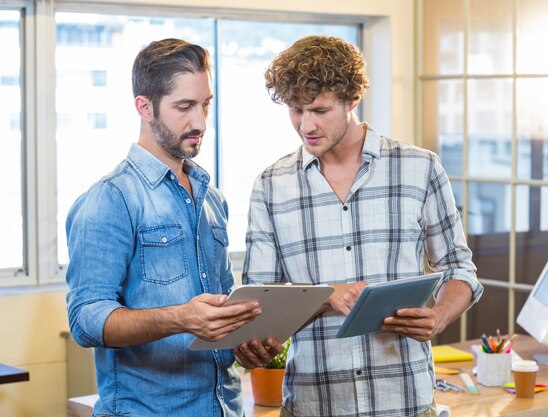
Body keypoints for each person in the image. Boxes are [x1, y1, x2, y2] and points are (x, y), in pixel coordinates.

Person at [242, 35, 484, 417]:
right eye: (295, 110)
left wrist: (438, 316)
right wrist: (322, 297)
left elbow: (459, 270)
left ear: (352, 99)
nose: (306, 125)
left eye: (320, 110)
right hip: (313, 404)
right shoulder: (271, 185)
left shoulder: (419, 168)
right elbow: (262, 298)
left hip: (404, 401)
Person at [65, 38, 281, 417]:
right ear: (144, 107)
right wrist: (180, 318)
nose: (199, 122)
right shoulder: (111, 199)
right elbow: (86, 321)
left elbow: (219, 312)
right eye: (184, 107)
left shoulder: (211, 199)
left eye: (205, 105)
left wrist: (244, 342)